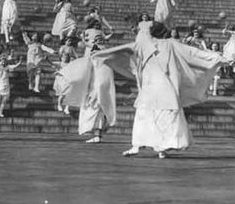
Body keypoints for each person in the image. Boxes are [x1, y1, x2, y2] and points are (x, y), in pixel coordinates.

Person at [76, 22, 224, 159]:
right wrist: (217, 58)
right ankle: (157, 148)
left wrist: (100, 55)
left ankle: (145, 147)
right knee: (162, 114)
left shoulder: (150, 44)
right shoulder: (164, 44)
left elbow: (121, 50)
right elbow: (193, 53)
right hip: (159, 85)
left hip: (154, 85)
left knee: (147, 115)